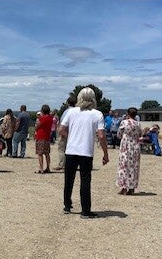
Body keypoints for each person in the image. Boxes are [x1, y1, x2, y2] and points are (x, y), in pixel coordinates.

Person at [59, 87, 109, 219]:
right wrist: (105, 153)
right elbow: (101, 136)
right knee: (85, 180)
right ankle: (85, 210)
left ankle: (67, 205)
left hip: (71, 150)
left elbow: (61, 130)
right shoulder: (97, 114)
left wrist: (71, 137)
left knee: (69, 179)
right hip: (86, 151)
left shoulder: (71, 112)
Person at [116, 107, 142, 195]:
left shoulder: (124, 122)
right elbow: (140, 134)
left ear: (128, 113)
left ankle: (124, 187)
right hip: (135, 147)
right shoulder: (138, 124)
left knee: (124, 166)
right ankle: (131, 188)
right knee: (134, 167)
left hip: (126, 146)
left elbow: (119, 134)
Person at [53, 95, 76, 170]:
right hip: (74, 133)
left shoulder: (67, 112)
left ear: (68, 103)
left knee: (62, 149)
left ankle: (61, 164)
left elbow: (62, 122)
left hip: (65, 133)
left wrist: (61, 132)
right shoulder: (78, 111)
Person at [34, 104, 53, 173]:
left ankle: (41, 168)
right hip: (47, 137)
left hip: (41, 136)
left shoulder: (41, 118)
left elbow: (37, 127)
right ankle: (48, 167)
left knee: (40, 153)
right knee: (47, 153)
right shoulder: (51, 118)